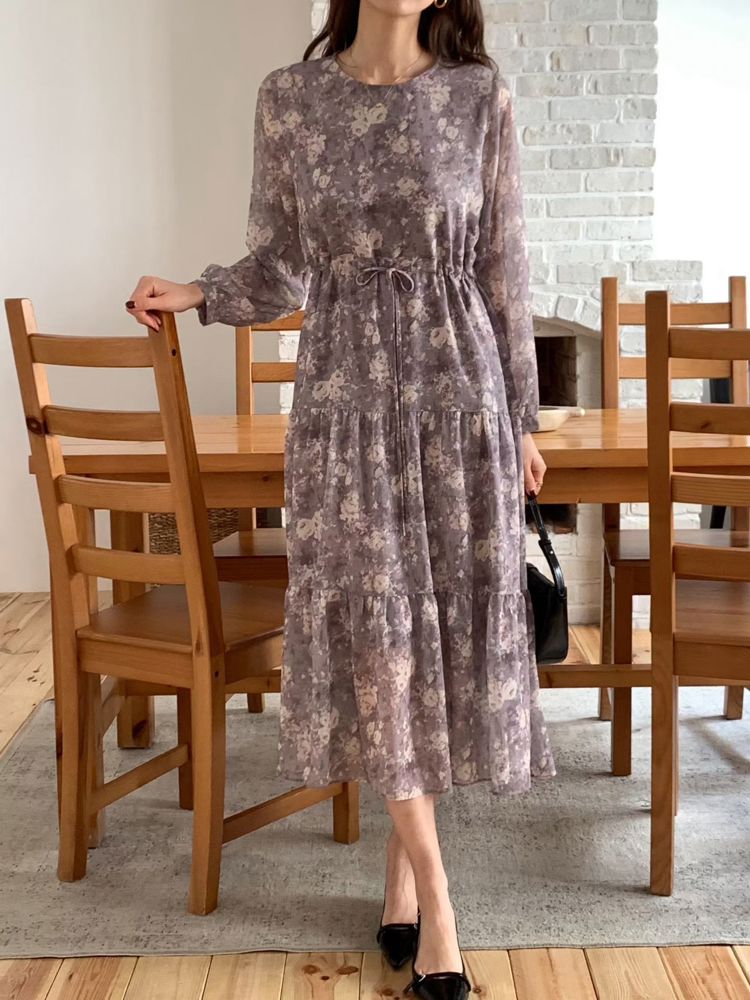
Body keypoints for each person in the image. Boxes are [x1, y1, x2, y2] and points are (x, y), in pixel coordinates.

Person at [125, 1, 557, 995]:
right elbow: (279, 262)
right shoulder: (291, 100)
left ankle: (402, 882)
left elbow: (505, 268)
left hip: (459, 398)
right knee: (378, 641)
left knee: (437, 639)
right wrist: (199, 292)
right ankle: (441, 901)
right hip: (342, 403)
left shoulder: (480, 97)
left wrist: (524, 421)